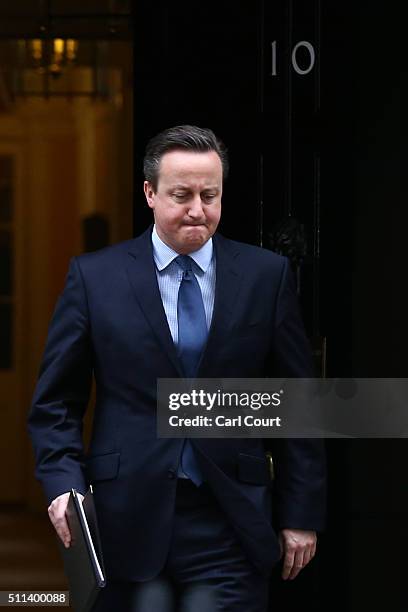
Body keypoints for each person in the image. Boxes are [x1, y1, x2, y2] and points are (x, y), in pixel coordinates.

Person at [28, 125, 326, 612]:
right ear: (149, 193)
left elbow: (298, 402)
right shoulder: (95, 278)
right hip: (126, 515)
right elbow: (56, 403)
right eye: (181, 195)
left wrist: (301, 512)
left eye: (210, 195)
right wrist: (63, 485)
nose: (197, 210)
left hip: (231, 517)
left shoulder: (264, 276)